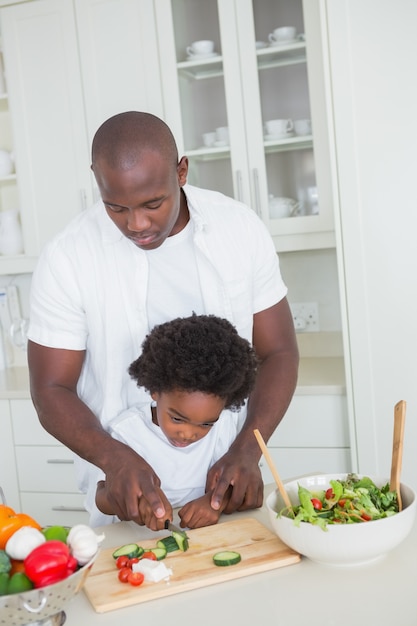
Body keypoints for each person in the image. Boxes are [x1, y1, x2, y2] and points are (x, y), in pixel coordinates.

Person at [27, 111, 299, 532]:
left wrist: (248, 449)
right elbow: (50, 389)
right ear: (97, 179)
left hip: (225, 497)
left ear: (182, 171)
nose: (136, 224)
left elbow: (278, 351)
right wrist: (114, 459)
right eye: (116, 207)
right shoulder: (68, 257)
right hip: (123, 503)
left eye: (153, 204)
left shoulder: (238, 229)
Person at [92, 313, 258, 529]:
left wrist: (215, 503)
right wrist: (136, 502)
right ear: (155, 391)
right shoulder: (127, 431)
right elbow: (101, 497)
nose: (189, 434)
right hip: (137, 541)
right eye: (178, 419)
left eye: (206, 424)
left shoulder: (223, 426)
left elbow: (230, 485)